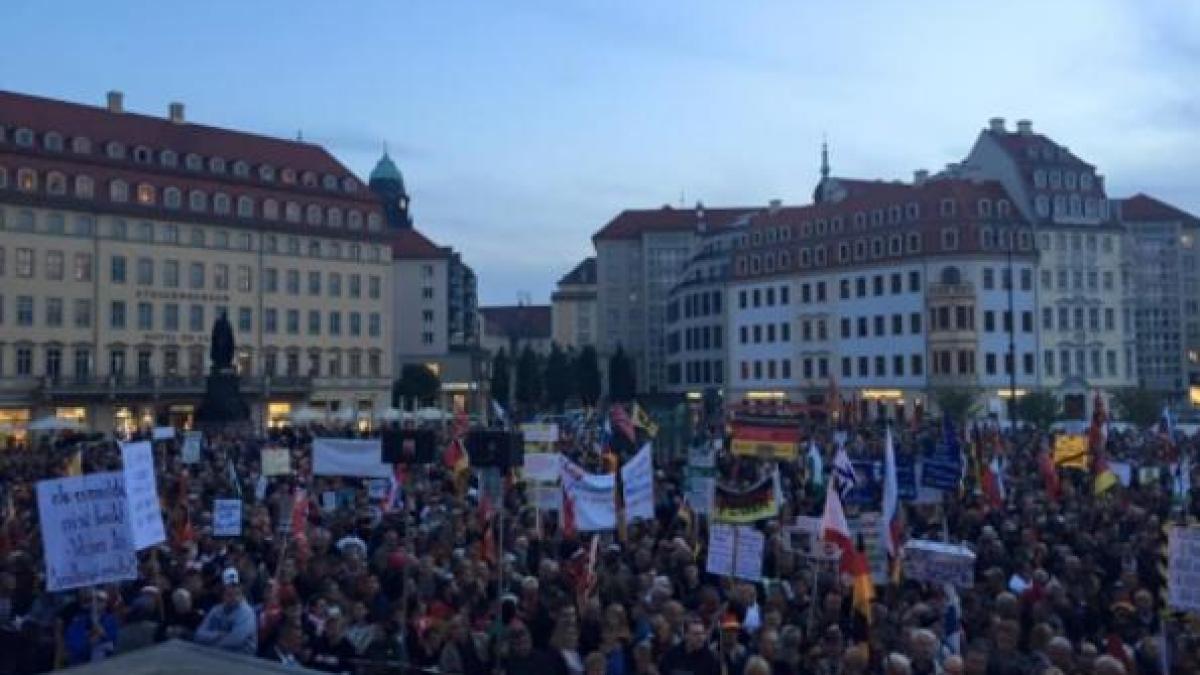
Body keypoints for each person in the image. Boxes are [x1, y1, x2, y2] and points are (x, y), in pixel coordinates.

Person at [194, 568, 257, 655]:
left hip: (241, 660)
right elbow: (199, 634)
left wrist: (211, 647)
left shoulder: (246, 612)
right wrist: (219, 635)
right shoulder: (216, 610)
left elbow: (236, 640)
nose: (232, 589)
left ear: (240, 589)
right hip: (215, 656)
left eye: (235, 586)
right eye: (228, 586)